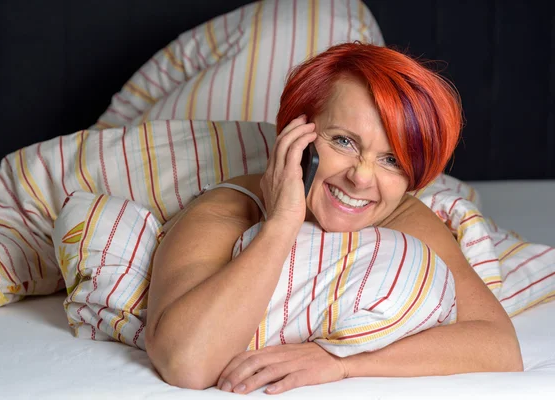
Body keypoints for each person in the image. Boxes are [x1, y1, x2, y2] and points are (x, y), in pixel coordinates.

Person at [143, 42, 523, 394]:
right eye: (343, 141)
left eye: (391, 160)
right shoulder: (224, 209)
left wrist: (341, 361)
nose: (360, 177)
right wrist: (281, 224)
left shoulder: (405, 215)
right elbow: (187, 363)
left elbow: (500, 346)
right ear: (297, 133)